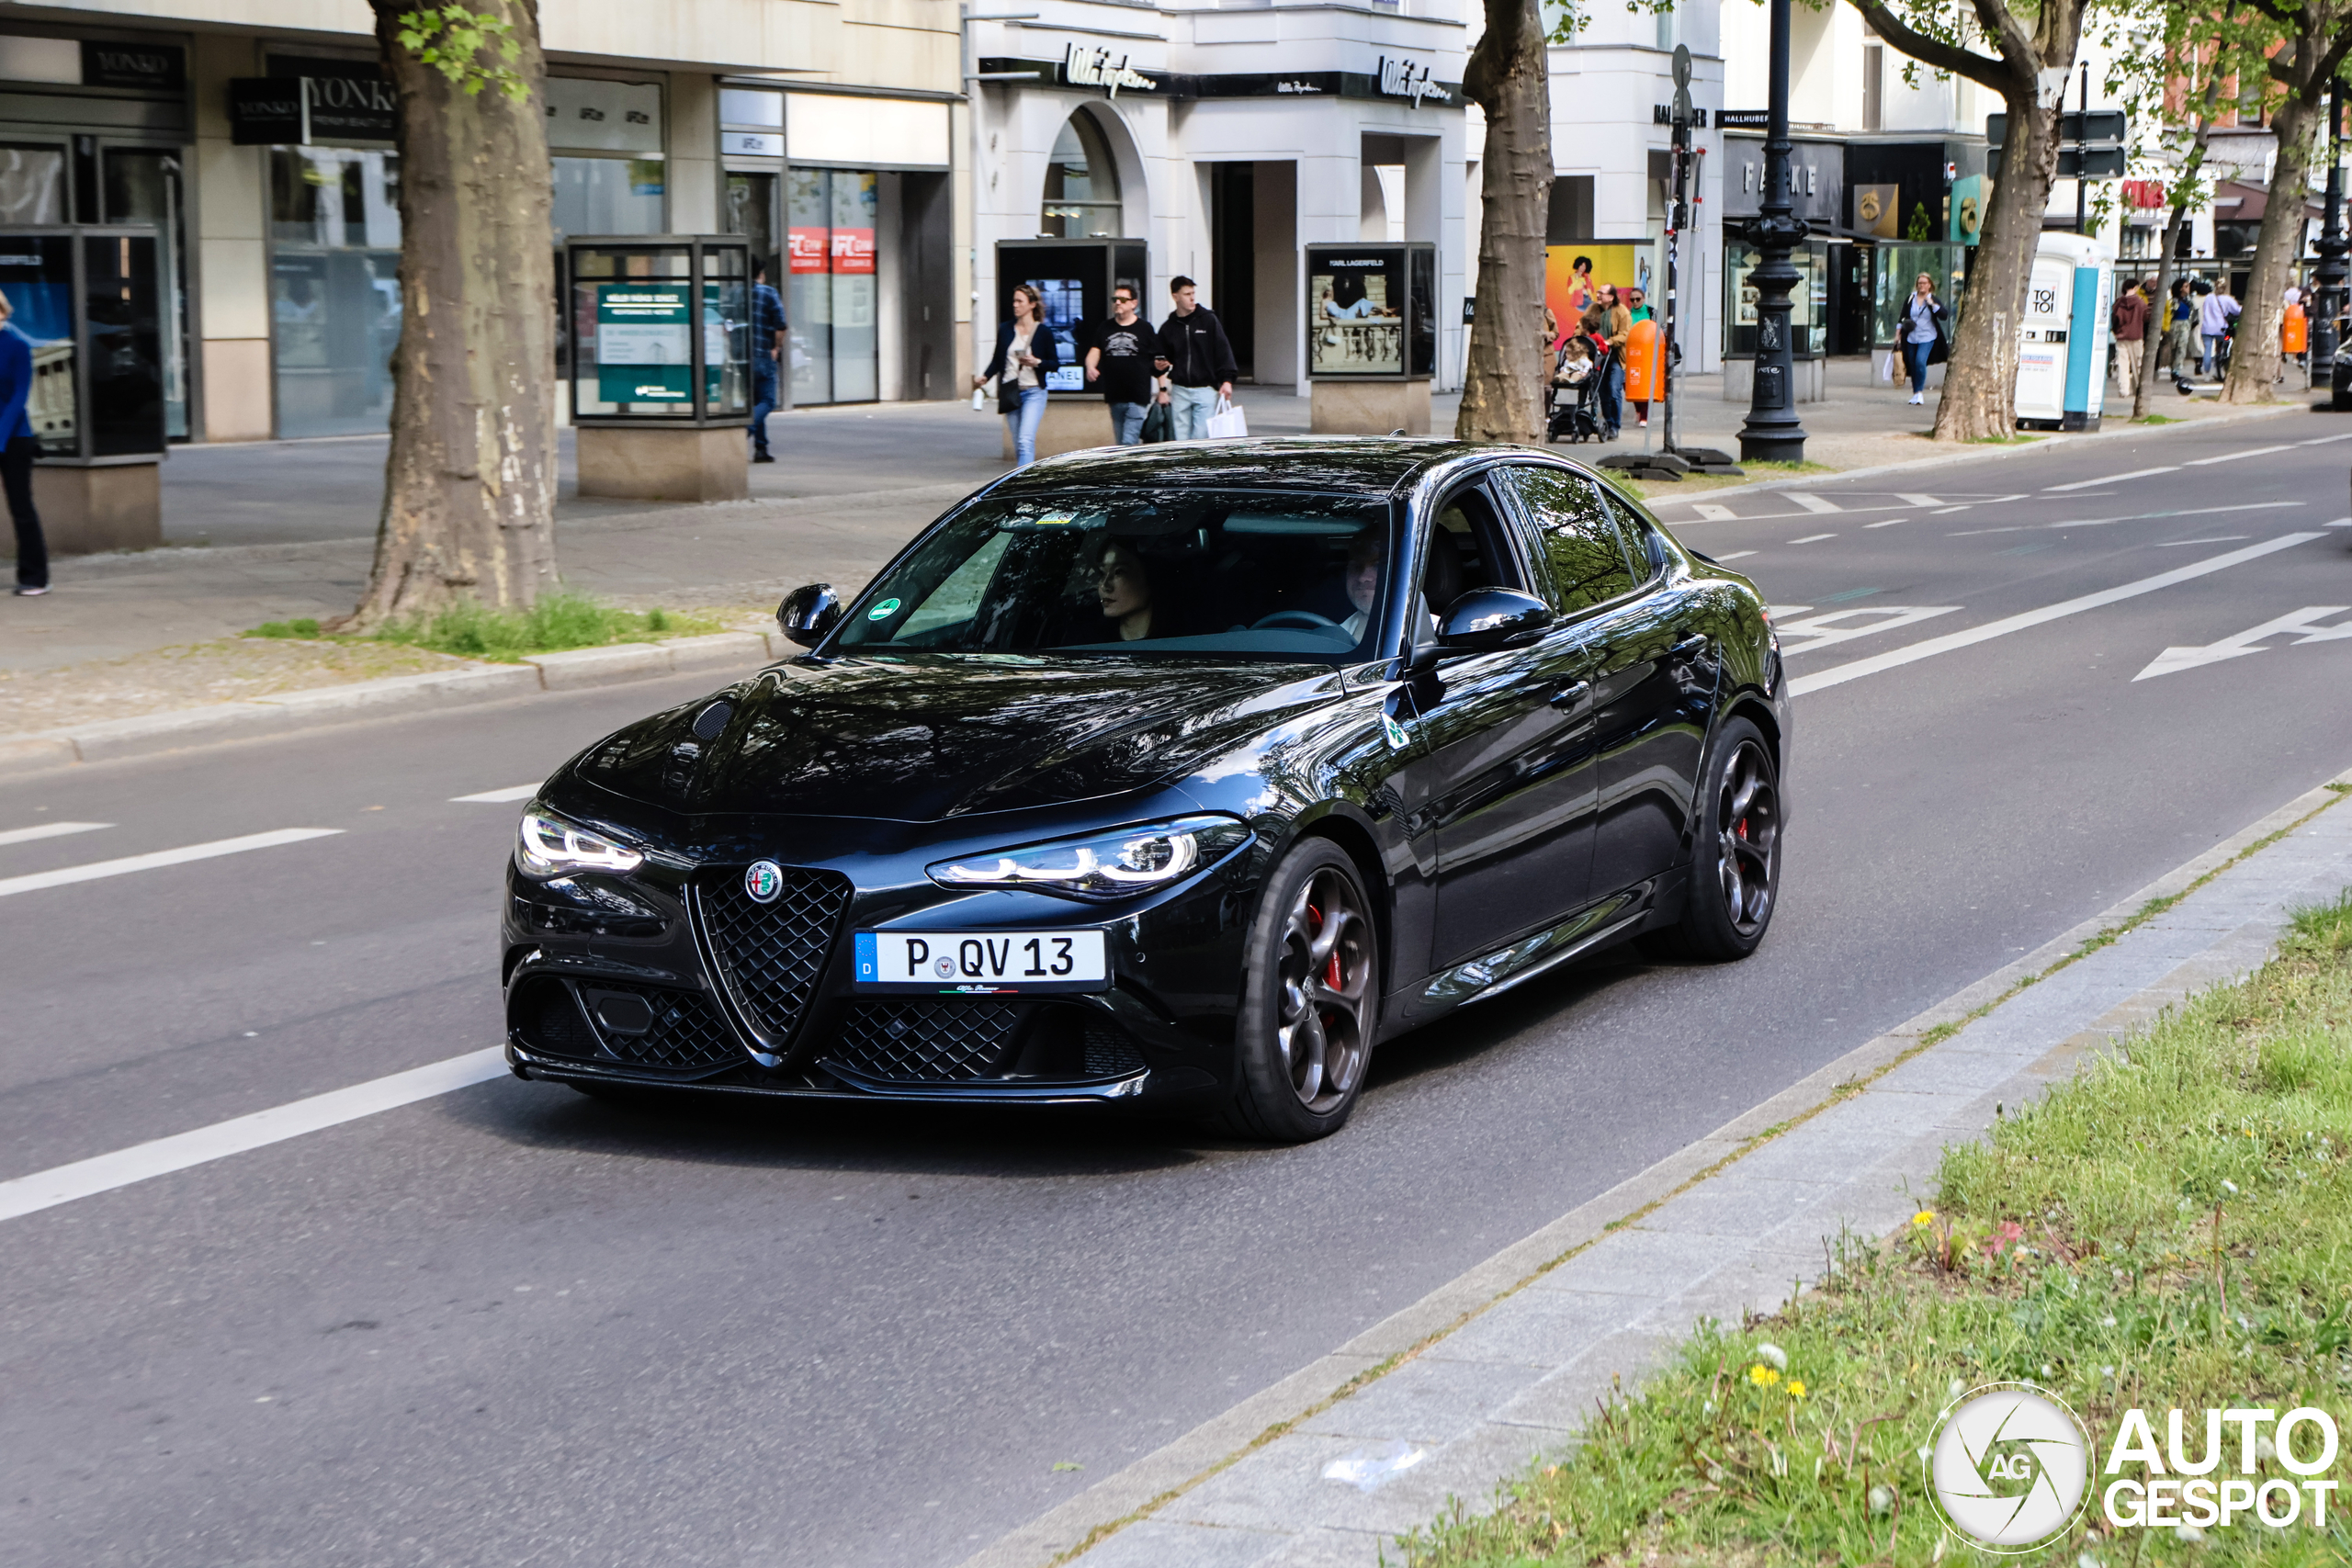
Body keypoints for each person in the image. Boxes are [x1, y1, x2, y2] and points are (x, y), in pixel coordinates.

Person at [976, 282, 1058, 467]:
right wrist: (985, 377)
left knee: (1025, 440)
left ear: (1032, 304)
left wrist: (1036, 362)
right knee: (1017, 444)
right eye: (1014, 301)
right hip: (1011, 391)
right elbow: (998, 359)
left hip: (1034, 391)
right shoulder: (1005, 329)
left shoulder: (1043, 332)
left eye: (1020, 301)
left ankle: (1024, 484)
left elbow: (1055, 364)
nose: (1015, 305)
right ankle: (1023, 474)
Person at [0, 288, 45, 595]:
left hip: (14, 439)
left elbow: (19, 397)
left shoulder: (17, 345)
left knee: (21, 509)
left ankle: (35, 578)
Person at [1155, 276, 1238, 442]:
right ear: (1175, 296)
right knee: (1180, 438)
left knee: (1200, 437)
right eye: (1187, 294)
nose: (1192, 298)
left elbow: (1223, 351)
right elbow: (1160, 356)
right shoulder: (1169, 327)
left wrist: (1227, 380)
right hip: (1180, 389)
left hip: (1206, 387)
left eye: (1193, 293)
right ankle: (1184, 468)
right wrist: (1158, 365)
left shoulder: (1208, 320)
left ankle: (1195, 467)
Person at [1085, 284, 1158, 446]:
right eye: (1115, 299)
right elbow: (1095, 351)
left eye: (1123, 299)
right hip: (1114, 395)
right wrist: (1091, 367)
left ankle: (1128, 470)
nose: (1118, 302)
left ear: (1134, 303)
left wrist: (1163, 389)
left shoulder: (1145, 328)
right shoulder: (1105, 327)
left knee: (1128, 443)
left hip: (1137, 395)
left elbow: (1157, 359)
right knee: (1121, 444)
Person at [747, 263, 786, 464]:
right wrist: (776, 348)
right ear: (760, 274)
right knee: (768, 400)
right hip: (763, 354)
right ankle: (746, 429)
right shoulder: (769, 292)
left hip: (742, 357)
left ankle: (761, 448)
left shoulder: (735, 293)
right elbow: (781, 325)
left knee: (756, 402)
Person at [1900, 272, 1947, 405]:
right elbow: (1902, 317)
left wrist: (1932, 304)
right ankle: (1916, 393)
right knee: (1913, 364)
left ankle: (1920, 393)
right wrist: (1898, 334)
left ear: (1929, 285)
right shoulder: (1910, 299)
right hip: (1911, 337)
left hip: (1927, 336)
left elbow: (1944, 315)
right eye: (1920, 283)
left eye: (1924, 283)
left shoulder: (1933, 299)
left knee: (1920, 362)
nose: (1922, 286)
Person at [1095, 537, 1154, 641]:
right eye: (1102, 573)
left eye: (1119, 572)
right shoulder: (1087, 638)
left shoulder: (1184, 639)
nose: (1104, 586)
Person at [1338, 531, 1385, 643]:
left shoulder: (1431, 633)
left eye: (1378, 566)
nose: (1363, 578)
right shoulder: (1328, 637)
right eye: (1356, 567)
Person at [1598, 284, 1631, 438]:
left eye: (1601, 293)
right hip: (1598, 357)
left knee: (1613, 389)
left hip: (1616, 357)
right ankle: (1608, 422)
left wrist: (1609, 342)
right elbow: (1582, 325)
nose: (1598, 295)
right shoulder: (1593, 309)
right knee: (1602, 392)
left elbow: (1625, 334)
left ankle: (1615, 426)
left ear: (1611, 297)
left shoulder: (1622, 311)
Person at [2111, 275, 2149, 394]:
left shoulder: (2118, 303)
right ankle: (2137, 388)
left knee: (2123, 364)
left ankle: (2124, 390)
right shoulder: (2140, 303)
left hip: (2121, 337)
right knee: (2137, 364)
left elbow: (2114, 319)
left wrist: (2116, 331)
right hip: (2136, 336)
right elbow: (2146, 317)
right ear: (2136, 287)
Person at [2199, 278, 2240, 377]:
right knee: (2223, 346)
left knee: (2207, 350)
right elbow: (2237, 310)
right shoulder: (2228, 299)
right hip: (2221, 328)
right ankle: (2222, 362)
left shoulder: (2208, 297)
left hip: (2207, 328)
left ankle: (2206, 374)